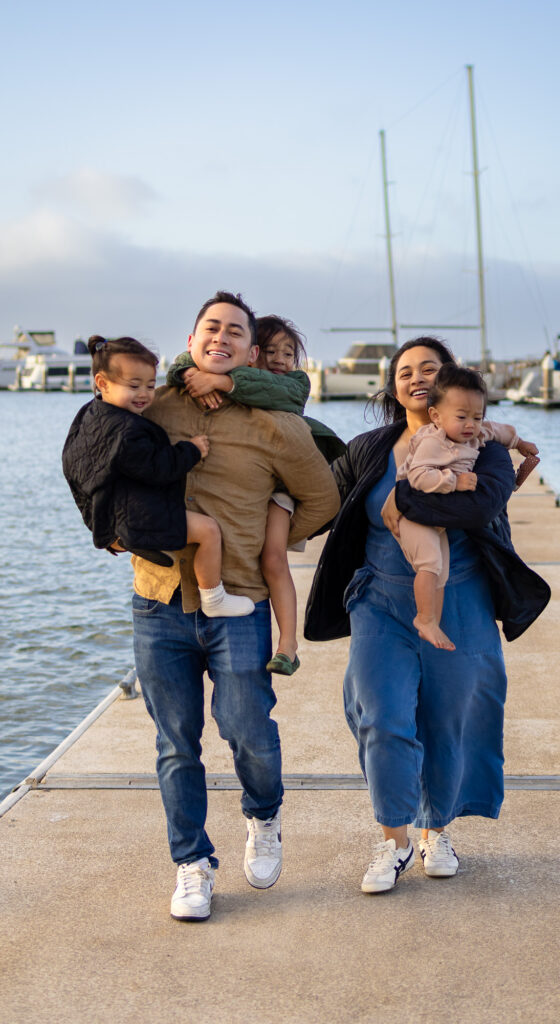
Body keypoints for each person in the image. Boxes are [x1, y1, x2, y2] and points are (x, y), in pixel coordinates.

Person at [304, 337, 550, 894]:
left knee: (449, 717)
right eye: (405, 371)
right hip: (378, 600)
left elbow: (482, 503)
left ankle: (436, 829)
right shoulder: (369, 447)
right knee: (381, 713)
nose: (416, 377)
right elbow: (317, 501)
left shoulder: (476, 438)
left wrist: (405, 501)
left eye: (429, 369)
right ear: (395, 386)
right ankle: (393, 839)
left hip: (460, 596)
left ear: (446, 384)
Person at [131, 291, 340, 921]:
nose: (220, 337)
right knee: (176, 743)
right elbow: (99, 461)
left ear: (251, 352)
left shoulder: (278, 423)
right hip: (159, 599)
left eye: (234, 332)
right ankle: (192, 864)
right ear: (192, 339)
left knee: (248, 732)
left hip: (241, 603)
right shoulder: (155, 404)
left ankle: (264, 816)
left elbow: (323, 500)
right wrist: (115, 529)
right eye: (209, 328)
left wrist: (271, 537)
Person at [165, 315, 346, 676]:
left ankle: (289, 645)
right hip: (252, 482)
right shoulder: (231, 380)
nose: (281, 359)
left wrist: (220, 380)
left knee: (273, 558)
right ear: (254, 354)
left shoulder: (293, 384)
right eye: (273, 351)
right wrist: (194, 373)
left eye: (289, 352)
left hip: (283, 485)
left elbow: (268, 390)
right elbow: (185, 363)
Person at [62, 336, 254, 618]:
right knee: (208, 531)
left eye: (151, 386)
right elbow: (159, 468)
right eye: (134, 386)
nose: (144, 394)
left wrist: (98, 523)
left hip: (106, 511)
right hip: (133, 516)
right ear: (102, 383)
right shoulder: (128, 431)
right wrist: (191, 450)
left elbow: (74, 466)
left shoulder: (89, 415)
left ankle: (134, 540)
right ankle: (214, 597)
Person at [392, 362, 539, 651]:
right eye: (461, 417)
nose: (471, 425)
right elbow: (418, 478)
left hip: (434, 517)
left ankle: (432, 620)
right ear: (435, 415)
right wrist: (454, 481)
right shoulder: (434, 442)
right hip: (412, 517)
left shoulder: (475, 432)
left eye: (477, 416)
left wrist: (519, 443)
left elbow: (499, 430)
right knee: (430, 564)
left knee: (441, 571)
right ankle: (424, 619)